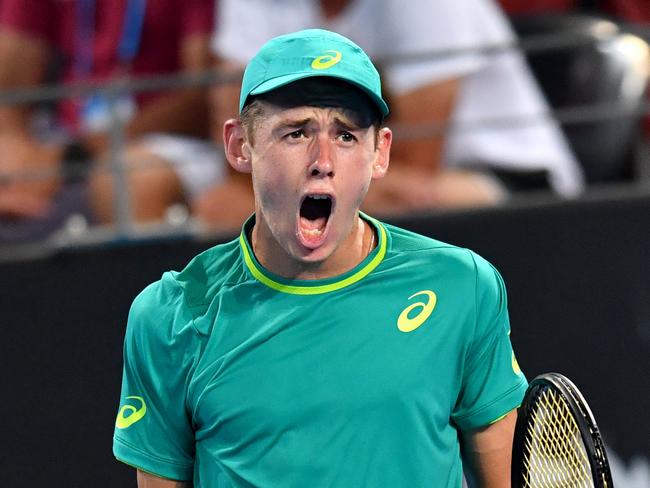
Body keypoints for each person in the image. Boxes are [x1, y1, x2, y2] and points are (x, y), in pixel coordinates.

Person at [113, 29, 528, 487]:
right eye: (296, 132)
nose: (323, 160)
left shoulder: (462, 286)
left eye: (347, 135)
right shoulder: (171, 315)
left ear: (380, 153)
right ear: (239, 145)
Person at [194, 0, 585, 229]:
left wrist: (276, 192)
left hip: (505, 179)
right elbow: (242, 156)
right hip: (350, 177)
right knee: (220, 205)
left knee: (374, 204)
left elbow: (416, 167)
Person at [0, 0, 219, 241]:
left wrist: (75, 153)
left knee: (128, 183)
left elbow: (201, 98)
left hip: (170, 138)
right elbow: (9, 95)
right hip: (64, 142)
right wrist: (14, 165)